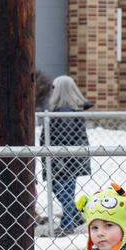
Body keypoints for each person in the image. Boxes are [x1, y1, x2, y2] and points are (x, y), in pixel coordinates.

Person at [41, 76, 92, 235]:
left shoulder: (64, 112)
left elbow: (65, 137)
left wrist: (53, 153)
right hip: (69, 159)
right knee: (65, 191)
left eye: (54, 88)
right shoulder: (66, 110)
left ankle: (68, 224)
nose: (51, 91)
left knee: (62, 190)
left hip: (62, 159)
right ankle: (73, 218)